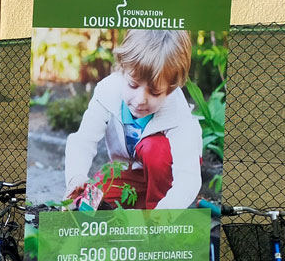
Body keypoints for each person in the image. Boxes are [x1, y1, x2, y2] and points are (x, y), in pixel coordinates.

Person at [64, 29, 202, 210]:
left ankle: (155, 213)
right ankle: (138, 206)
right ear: (122, 69)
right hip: (129, 173)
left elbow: (187, 176)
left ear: (170, 89)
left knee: (155, 148)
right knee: (85, 203)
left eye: (154, 92)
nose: (139, 100)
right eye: (133, 85)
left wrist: (166, 213)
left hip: (167, 179)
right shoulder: (108, 92)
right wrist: (76, 177)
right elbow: (83, 140)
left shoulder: (177, 113)